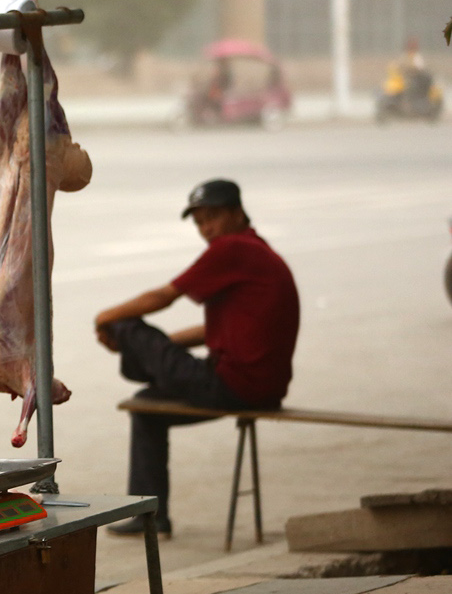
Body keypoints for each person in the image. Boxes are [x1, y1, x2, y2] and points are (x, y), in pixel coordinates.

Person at [93, 180, 299, 537]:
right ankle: (152, 518)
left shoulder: (232, 248)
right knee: (145, 408)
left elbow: (163, 296)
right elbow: (212, 332)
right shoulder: (256, 251)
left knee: (127, 323)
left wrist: (105, 320)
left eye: (214, 218)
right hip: (259, 387)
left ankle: (141, 362)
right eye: (200, 223)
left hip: (233, 385)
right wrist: (159, 346)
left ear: (237, 214)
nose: (207, 230)